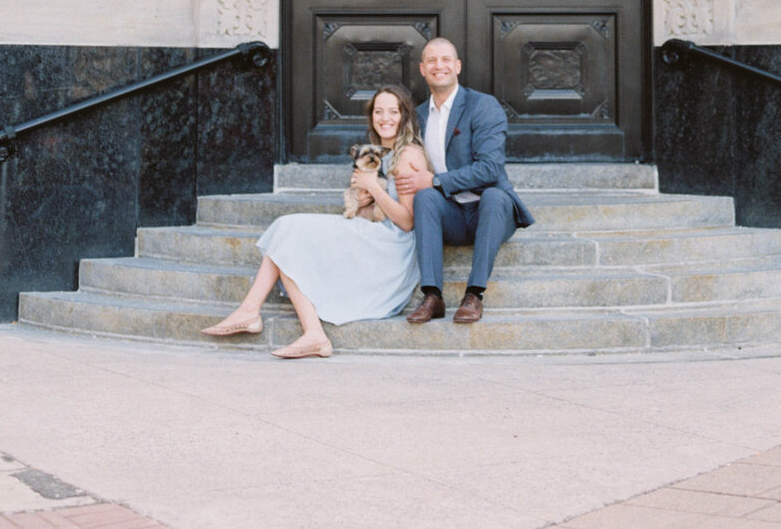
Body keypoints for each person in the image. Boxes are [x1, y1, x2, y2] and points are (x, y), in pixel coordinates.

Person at [200, 85, 428, 359]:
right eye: (379, 111)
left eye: (393, 111)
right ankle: (296, 327)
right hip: (371, 232)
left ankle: (261, 315)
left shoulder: (409, 155)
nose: (385, 118)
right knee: (288, 231)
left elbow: (407, 222)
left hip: (391, 248)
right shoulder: (378, 152)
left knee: (290, 231)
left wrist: (373, 187)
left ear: (406, 116)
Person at [396, 37, 534, 326]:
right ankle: (433, 296)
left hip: (491, 212)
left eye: (446, 59)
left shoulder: (483, 105)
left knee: (495, 196)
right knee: (424, 198)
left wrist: (434, 180)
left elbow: (491, 169)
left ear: (457, 66)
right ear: (422, 69)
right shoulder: (418, 115)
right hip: (452, 215)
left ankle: (474, 294)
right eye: (432, 60)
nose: (439, 66)